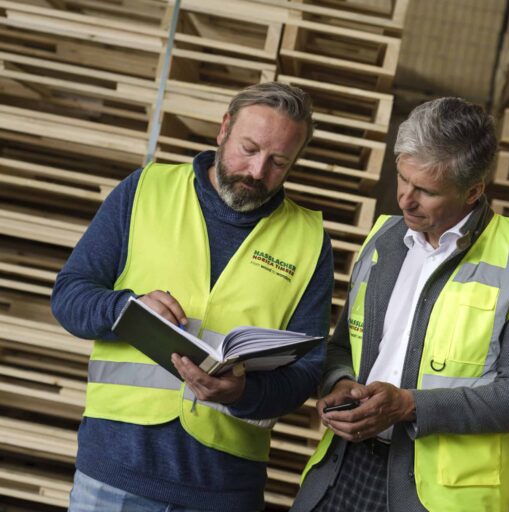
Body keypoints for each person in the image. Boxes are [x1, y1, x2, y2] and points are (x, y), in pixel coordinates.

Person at [51, 82, 333, 511]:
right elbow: (69, 296)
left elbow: (306, 372)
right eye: (249, 149)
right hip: (115, 476)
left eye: (278, 162)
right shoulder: (145, 190)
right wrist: (125, 308)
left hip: (225, 490)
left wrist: (242, 395)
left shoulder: (309, 239)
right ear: (223, 130)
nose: (257, 172)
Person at [291, 97, 509, 512]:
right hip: (342, 469)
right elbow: (343, 345)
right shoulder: (384, 238)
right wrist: (339, 384)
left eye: (426, 191)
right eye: (402, 178)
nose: (404, 200)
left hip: (438, 499)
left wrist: (409, 405)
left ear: (474, 191)